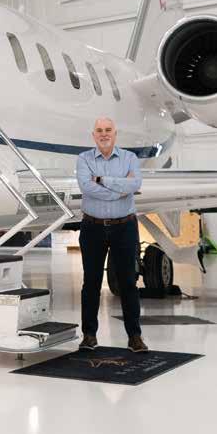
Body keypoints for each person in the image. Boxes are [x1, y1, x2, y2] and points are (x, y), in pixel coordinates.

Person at [75, 117, 148, 352]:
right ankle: (89, 335)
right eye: (99, 130)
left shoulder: (130, 158)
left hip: (124, 227)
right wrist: (120, 189)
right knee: (91, 283)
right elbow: (86, 187)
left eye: (108, 130)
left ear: (115, 134)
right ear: (93, 135)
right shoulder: (84, 159)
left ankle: (135, 336)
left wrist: (103, 181)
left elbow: (135, 184)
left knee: (128, 283)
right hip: (92, 227)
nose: (104, 134)